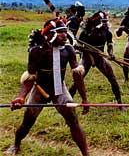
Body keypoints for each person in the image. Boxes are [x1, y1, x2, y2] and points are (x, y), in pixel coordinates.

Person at [5, 18, 89, 155]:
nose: (65, 35)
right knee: (27, 123)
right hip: (40, 90)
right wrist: (21, 97)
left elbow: (77, 76)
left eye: (65, 32)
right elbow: (30, 78)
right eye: (61, 32)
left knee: (73, 121)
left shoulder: (68, 50)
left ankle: (86, 153)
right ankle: (16, 144)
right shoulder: (36, 52)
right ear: (50, 34)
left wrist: (85, 99)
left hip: (59, 89)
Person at [69, 11, 125, 111]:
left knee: (112, 79)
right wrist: (84, 49)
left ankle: (120, 104)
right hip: (86, 58)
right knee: (78, 80)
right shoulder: (85, 33)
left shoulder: (107, 32)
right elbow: (79, 47)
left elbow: (109, 45)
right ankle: (68, 102)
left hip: (100, 58)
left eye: (105, 21)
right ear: (96, 22)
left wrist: (111, 54)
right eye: (102, 21)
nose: (104, 23)